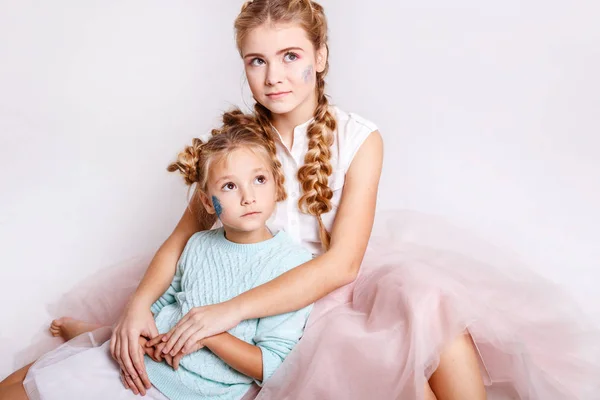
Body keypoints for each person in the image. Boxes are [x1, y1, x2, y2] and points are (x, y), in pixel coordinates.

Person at [6, 0, 600, 399]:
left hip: (324, 290)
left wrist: (230, 313)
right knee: (134, 333)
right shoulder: (236, 148)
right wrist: (138, 305)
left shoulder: (358, 138)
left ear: (319, 56)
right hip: (241, 273)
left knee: (428, 305)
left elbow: (341, 265)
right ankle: (113, 328)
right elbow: (181, 237)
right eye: (257, 61)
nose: (275, 76)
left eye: (290, 56)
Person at [0, 111, 314, 399]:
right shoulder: (199, 245)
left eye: (259, 180)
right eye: (230, 186)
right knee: (16, 386)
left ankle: (92, 336)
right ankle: (97, 337)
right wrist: (141, 336)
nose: (248, 197)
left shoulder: (291, 266)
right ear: (207, 203)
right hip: (144, 361)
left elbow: (270, 365)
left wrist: (207, 335)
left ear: (277, 185)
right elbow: (164, 303)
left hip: (180, 392)